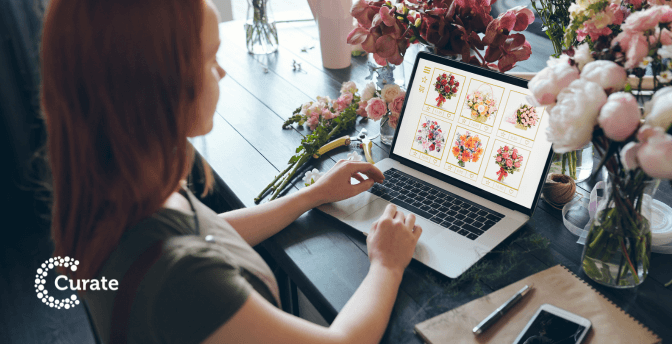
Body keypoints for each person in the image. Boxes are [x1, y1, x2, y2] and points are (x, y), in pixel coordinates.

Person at [41, 0, 422, 343]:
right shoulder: (181, 279)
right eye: (209, 59)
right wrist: (386, 264)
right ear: (155, 86)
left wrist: (313, 194)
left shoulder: (116, 186)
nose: (221, 73)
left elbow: (211, 230)